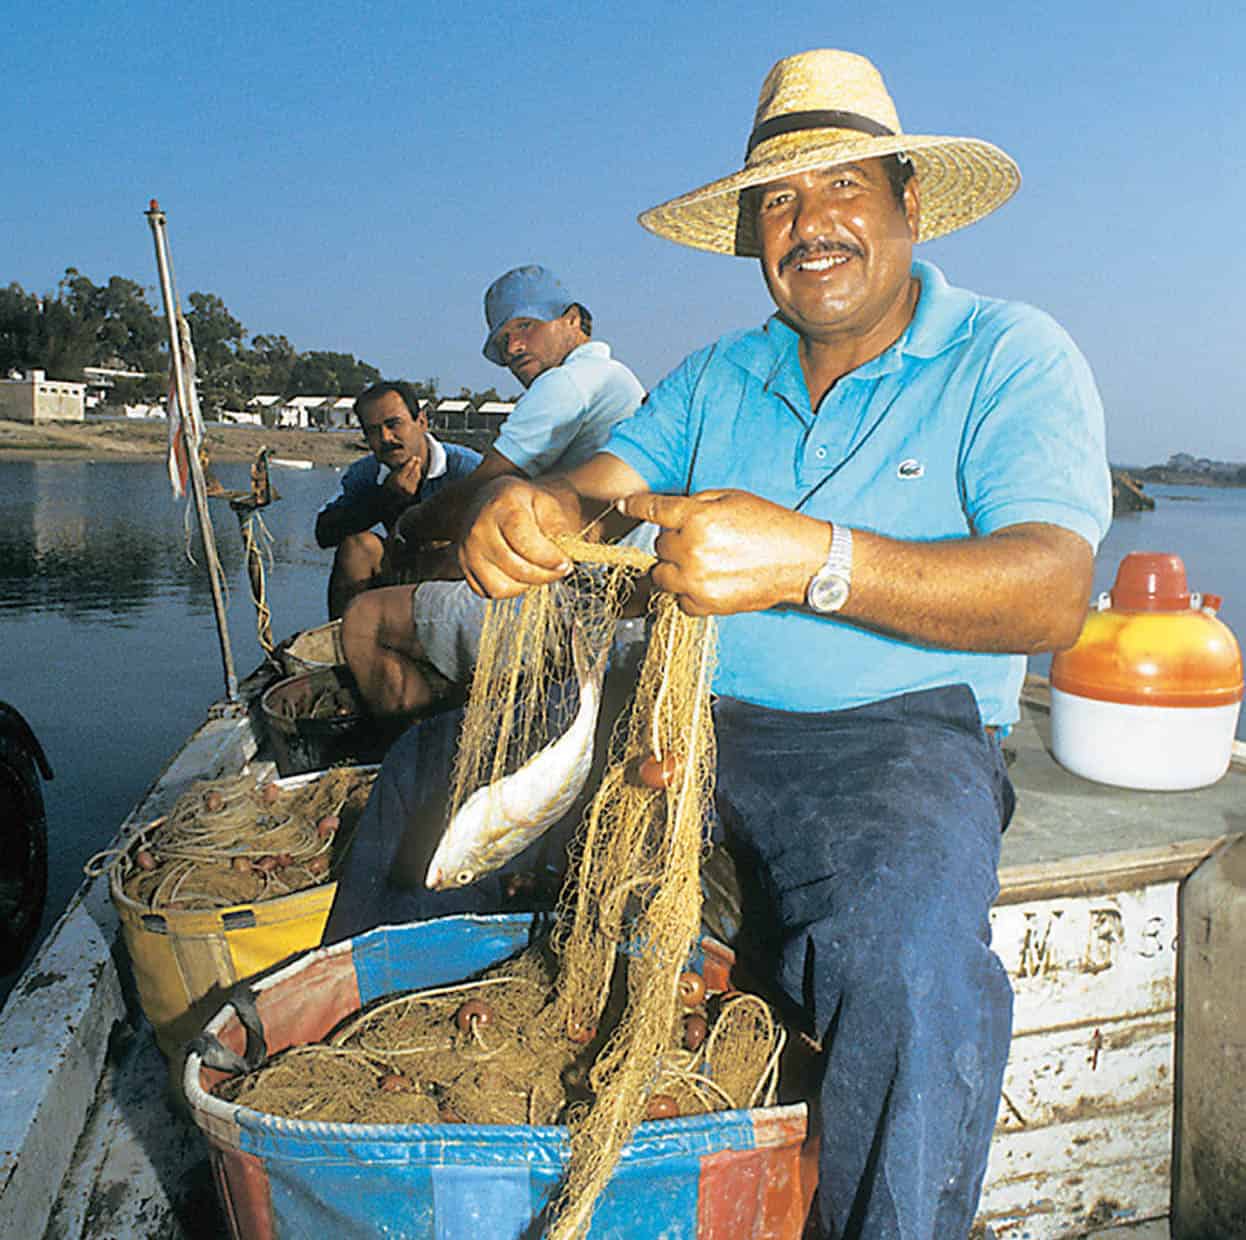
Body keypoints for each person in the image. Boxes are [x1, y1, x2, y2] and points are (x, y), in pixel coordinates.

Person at [457, 49, 1112, 1240]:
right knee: (440, 809)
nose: (809, 225)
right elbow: (599, 490)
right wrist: (529, 514)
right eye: (778, 201)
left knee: (907, 965)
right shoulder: (717, 376)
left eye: (844, 189)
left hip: (898, 743)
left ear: (910, 200)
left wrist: (816, 558)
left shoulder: (1009, 355)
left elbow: (1052, 592)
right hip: (686, 721)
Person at [341, 265, 645, 716]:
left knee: (363, 620)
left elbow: (477, 491)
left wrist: (409, 525)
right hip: (612, 597)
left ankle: (416, 754)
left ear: (573, 321)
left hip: (583, 609)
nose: (514, 346)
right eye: (503, 340)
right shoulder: (619, 380)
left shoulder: (567, 383)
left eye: (526, 326)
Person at [314, 381, 481, 619]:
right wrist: (385, 498)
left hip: (457, 583)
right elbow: (324, 533)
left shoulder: (468, 469)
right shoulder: (366, 473)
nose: (385, 438)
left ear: (421, 422)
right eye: (373, 431)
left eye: (394, 424)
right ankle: (342, 644)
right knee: (359, 548)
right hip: (398, 570)